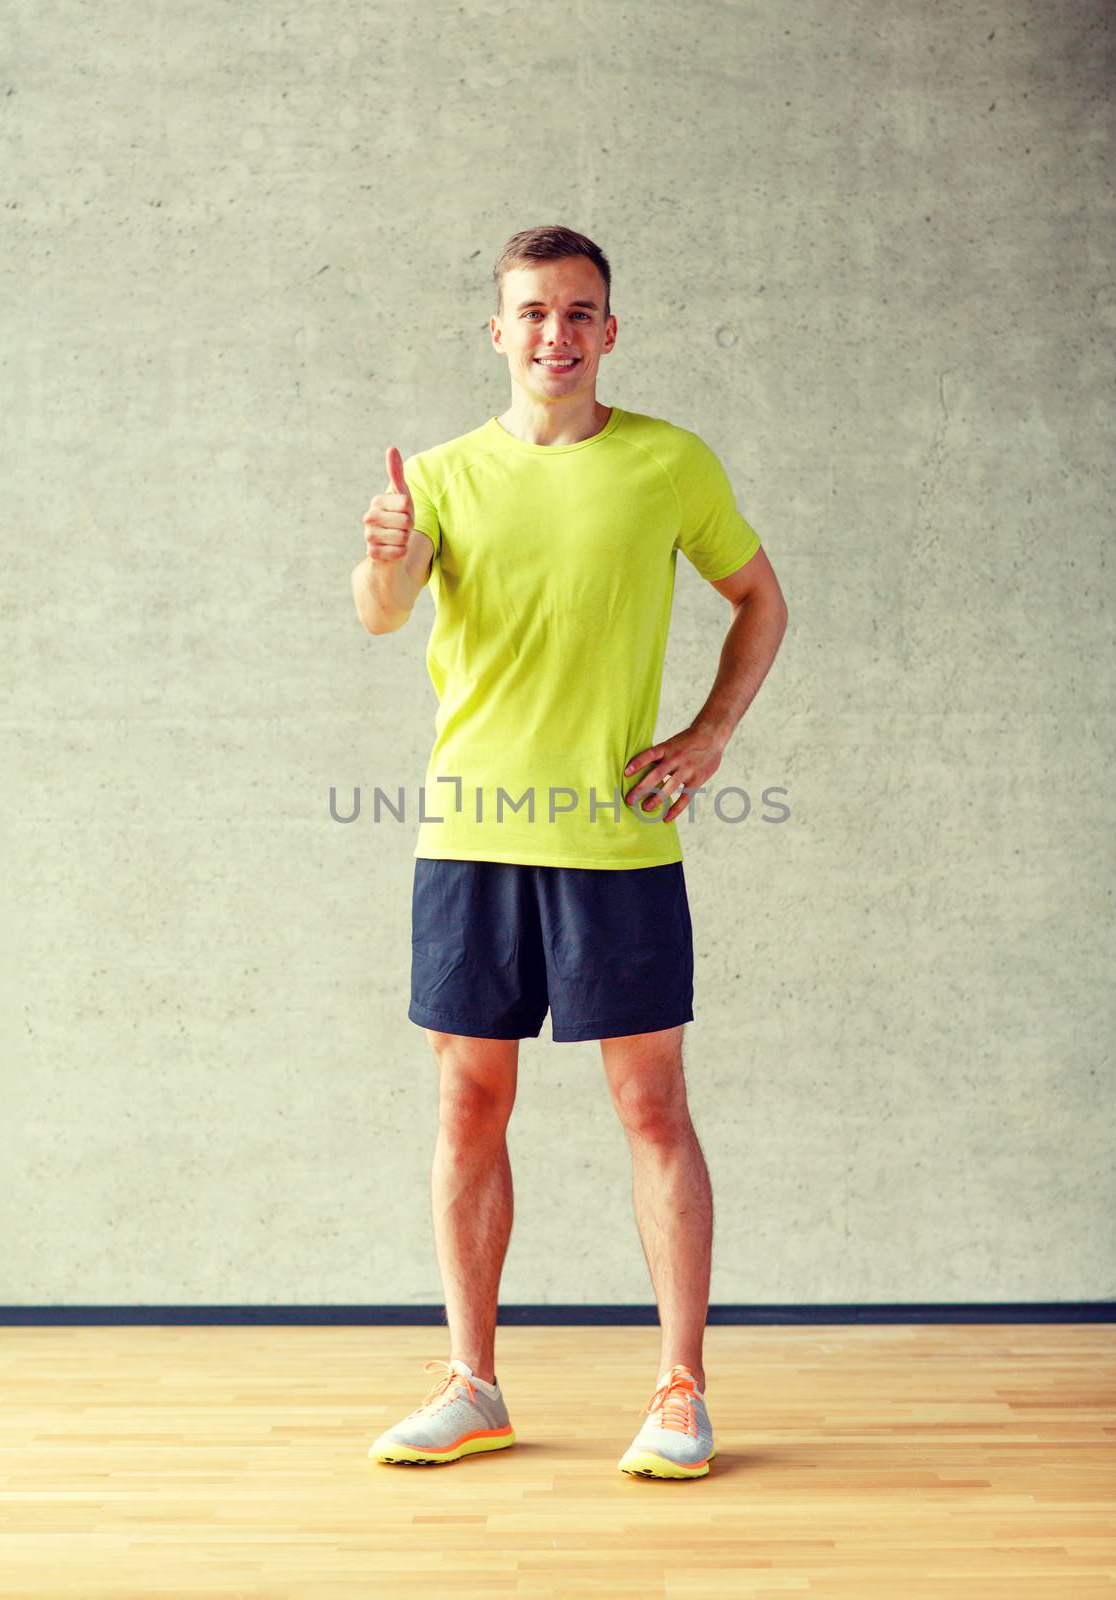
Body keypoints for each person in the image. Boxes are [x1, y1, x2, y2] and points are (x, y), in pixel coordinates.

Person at [352, 226, 788, 1478]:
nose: (556, 333)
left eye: (579, 313)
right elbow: (382, 614)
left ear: (609, 330)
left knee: (651, 1103)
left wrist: (707, 734)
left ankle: (679, 1389)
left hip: (616, 838)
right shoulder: (435, 475)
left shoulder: (667, 462)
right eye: (533, 313)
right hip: (468, 837)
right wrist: (386, 557)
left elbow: (760, 595)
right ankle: (472, 1381)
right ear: (499, 332)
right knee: (467, 1098)